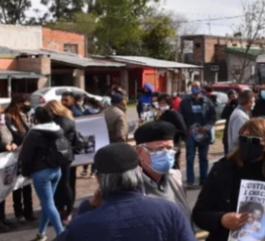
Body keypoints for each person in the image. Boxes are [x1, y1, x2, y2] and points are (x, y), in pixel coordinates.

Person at [192, 118, 265, 241]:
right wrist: (221, 220)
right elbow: (199, 213)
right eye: (243, 139)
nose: (248, 145)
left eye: (255, 141)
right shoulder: (222, 169)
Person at [57, 143, 196, 241]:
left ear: (98, 178)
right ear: (139, 171)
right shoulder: (170, 211)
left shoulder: (83, 224)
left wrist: (88, 207)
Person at [20, 107, 65, 239]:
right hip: (56, 170)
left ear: (37, 119)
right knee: (48, 203)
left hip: (41, 172)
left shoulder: (34, 133)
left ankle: (62, 235)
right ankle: (41, 233)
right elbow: (64, 150)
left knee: (48, 204)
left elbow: (26, 156)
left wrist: (26, 172)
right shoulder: (58, 129)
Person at [134, 121, 191, 216]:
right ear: (140, 152)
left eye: (169, 148)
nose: (166, 154)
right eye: (159, 149)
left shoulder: (175, 176)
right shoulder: (132, 185)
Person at [45, 101, 77, 226]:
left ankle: (68, 210)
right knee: (59, 184)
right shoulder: (63, 118)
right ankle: (60, 210)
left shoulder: (64, 120)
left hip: (63, 155)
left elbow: (57, 134)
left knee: (64, 184)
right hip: (60, 154)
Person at [179, 81, 216, 186]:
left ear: (201, 88)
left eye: (197, 86)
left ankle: (203, 179)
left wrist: (207, 128)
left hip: (204, 135)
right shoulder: (185, 102)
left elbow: (213, 117)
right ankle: (190, 180)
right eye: (193, 86)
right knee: (189, 158)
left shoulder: (207, 102)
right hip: (191, 135)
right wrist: (186, 129)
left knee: (203, 158)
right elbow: (180, 117)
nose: (194, 88)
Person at [5, 94, 35, 223]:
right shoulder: (9, 116)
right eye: (25, 103)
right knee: (17, 185)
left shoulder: (25, 115)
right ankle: (19, 212)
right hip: (16, 153)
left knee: (27, 183)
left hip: (26, 152)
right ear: (18, 103)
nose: (27, 105)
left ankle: (29, 211)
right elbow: (14, 134)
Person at [156, 94, 187, 169]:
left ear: (169, 103)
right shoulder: (162, 115)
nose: (161, 105)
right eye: (160, 103)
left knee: (174, 167)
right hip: (163, 145)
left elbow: (183, 130)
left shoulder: (174, 114)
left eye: (164, 103)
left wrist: (170, 131)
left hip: (174, 144)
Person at [0, 107, 18, 232]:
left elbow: (15, 134)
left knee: (2, 190)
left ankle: (2, 217)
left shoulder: (5, 121)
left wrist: (14, 142)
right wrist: (3, 146)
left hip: (5, 161)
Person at [221, 90, 239, 155]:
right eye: (231, 97)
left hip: (236, 133)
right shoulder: (228, 106)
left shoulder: (239, 106)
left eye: (234, 96)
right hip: (228, 132)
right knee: (227, 155)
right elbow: (223, 116)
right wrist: (228, 105)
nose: (233, 99)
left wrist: (236, 102)